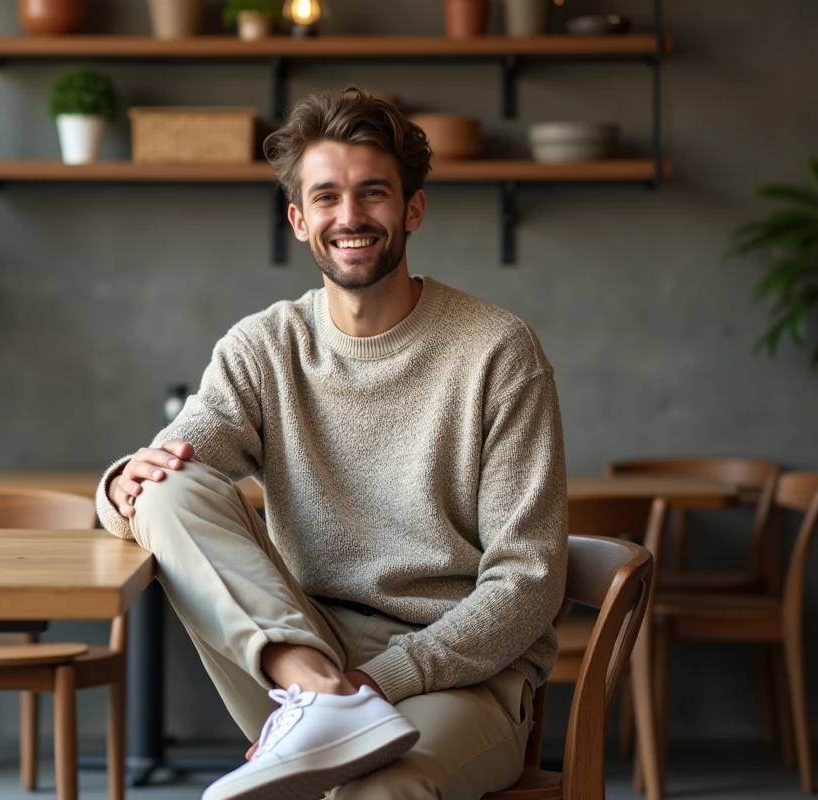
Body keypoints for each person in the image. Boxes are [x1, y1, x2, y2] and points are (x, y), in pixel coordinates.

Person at [95, 87, 568, 800]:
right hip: (298, 658)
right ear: (298, 219)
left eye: (372, 193)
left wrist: (377, 681)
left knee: (371, 796)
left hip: (460, 678)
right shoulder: (264, 346)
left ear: (412, 208)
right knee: (165, 481)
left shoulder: (497, 351)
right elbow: (172, 472)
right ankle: (320, 699)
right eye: (326, 197)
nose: (349, 217)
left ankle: (332, 705)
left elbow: (529, 581)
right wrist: (116, 488)